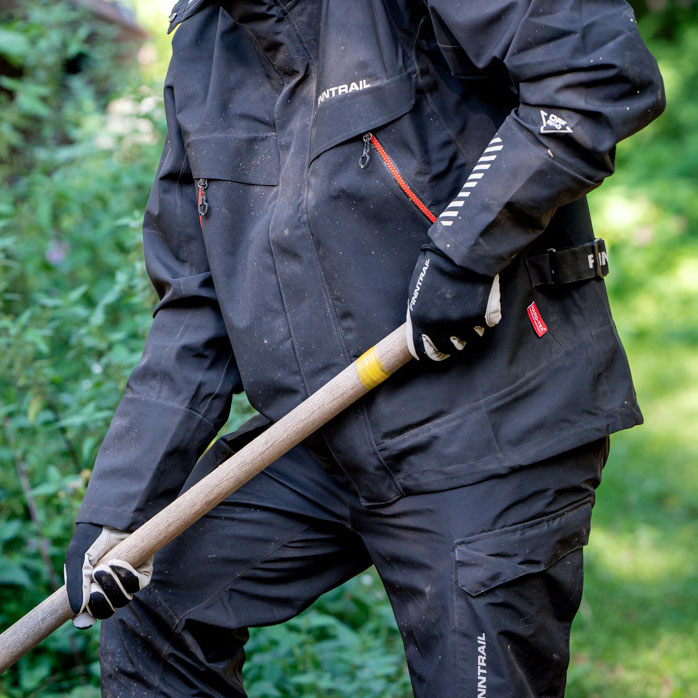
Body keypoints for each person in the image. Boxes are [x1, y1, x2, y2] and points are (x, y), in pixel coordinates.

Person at [64, 1, 665, 696]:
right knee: (148, 601)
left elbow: (597, 74)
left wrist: (465, 250)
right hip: (320, 436)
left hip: (489, 422)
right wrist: (120, 505)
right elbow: (197, 301)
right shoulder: (206, 41)